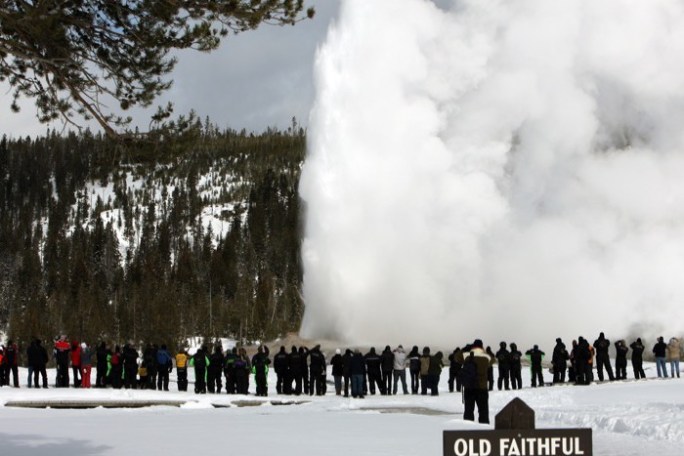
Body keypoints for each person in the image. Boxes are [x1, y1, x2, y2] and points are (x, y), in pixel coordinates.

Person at [460, 339, 494, 424]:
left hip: (469, 386)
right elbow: (493, 360)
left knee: (468, 411)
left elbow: (456, 357)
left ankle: (467, 429)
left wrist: (465, 348)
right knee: (483, 411)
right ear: (482, 346)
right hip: (482, 387)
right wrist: (487, 351)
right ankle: (484, 429)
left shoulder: (466, 355)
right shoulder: (486, 356)